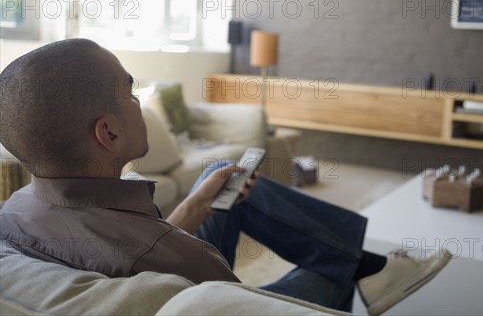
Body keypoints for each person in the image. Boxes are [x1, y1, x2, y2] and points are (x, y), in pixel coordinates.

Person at [0, 39, 450, 315]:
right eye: (131, 92)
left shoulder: (16, 209)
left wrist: (191, 209)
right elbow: (247, 306)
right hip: (206, 291)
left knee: (224, 178)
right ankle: (368, 269)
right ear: (109, 131)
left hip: (148, 260)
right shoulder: (180, 258)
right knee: (338, 270)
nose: (139, 102)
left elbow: (124, 256)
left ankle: (369, 266)